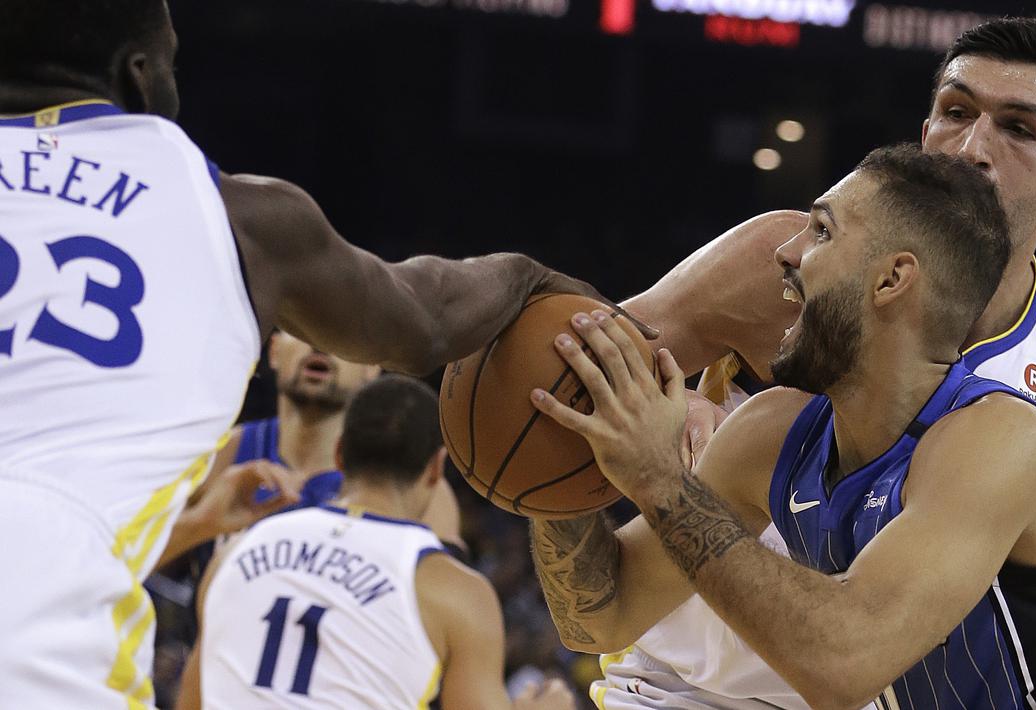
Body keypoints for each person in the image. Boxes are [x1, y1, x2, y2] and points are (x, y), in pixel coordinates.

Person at [0, 1, 607, 706]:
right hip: (41, 651)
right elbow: (425, 320)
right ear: (139, 77)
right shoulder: (235, 218)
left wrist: (200, 527)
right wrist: (527, 277)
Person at [601, 16, 1036, 706]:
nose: (972, 148)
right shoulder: (789, 258)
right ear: (925, 129)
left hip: (849, 671)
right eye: (955, 113)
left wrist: (659, 478)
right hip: (684, 684)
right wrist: (667, 399)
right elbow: (586, 361)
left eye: (1018, 129)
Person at [179, 376, 575, 709]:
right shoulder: (453, 590)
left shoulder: (237, 549)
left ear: (339, 454)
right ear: (435, 469)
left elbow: (191, 702)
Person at [157, 332, 465, 569]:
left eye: (341, 333)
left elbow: (448, 607)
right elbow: (133, 562)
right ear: (274, 351)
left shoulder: (412, 481)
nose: (319, 344)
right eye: (302, 329)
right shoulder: (218, 455)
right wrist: (200, 523)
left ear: (371, 367)